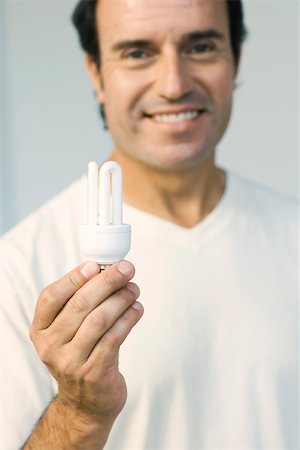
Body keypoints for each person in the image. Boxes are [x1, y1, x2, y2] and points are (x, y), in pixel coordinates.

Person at [0, 0, 298, 449]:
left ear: (235, 58)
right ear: (96, 72)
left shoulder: (292, 234)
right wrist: (80, 413)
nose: (174, 84)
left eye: (200, 46)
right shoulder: (19, 267)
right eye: (138, 52)